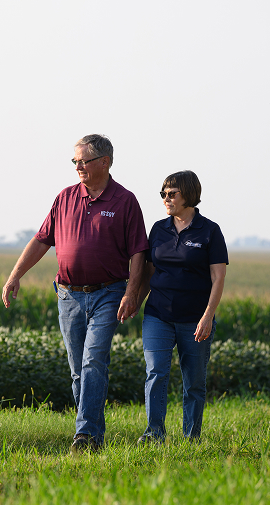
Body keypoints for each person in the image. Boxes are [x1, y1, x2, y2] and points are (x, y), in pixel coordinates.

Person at [2, 134, 148, 452]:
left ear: (105, 162)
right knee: (77, 369)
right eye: (75, 161)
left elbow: (139, 252)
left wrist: (132, 293)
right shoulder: (65, 197)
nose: (78, 166)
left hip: (109, 293)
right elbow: (42, 239)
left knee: (94, 360)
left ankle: (83, 435)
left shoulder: (125, 201)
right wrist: (15, 275)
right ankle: (94, 436)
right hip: (68, 295)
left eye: (84, 160)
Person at [134, 170, 228, 444]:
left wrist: (208, 316)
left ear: (188, 194)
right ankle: (154, 433)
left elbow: (218, 277)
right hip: (157, 315)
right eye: (163, 193)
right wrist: (134, 304)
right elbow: (148, 274)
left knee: (194, 382)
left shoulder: (210, 230)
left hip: (196, 319)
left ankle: (191, 438)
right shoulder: (158, 229)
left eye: (171, 193)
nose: (166, 198)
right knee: (155, 373)